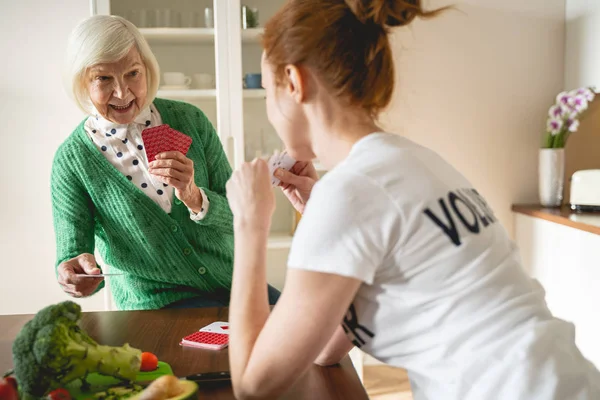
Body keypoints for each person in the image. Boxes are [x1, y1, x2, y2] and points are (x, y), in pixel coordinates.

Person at [224, 0, 600, 399]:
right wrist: (322, 224)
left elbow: (254, 384)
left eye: (268, 92)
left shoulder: (350, 191)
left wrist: (250, 224)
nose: (269, 109)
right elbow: (324, 351)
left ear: (294, 82)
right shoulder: (412, 161)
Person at [52, 15, 280, 310]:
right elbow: (73, 256)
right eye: (104, 78)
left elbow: (238, 215)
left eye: (133, 73)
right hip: (157, 305)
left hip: (234, 284)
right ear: (81, 81)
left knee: (310, 337)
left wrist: (194, 197)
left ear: (147, 68)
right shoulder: (72, 160)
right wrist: (77, 271)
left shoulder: (190, 120)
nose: (122, 92)